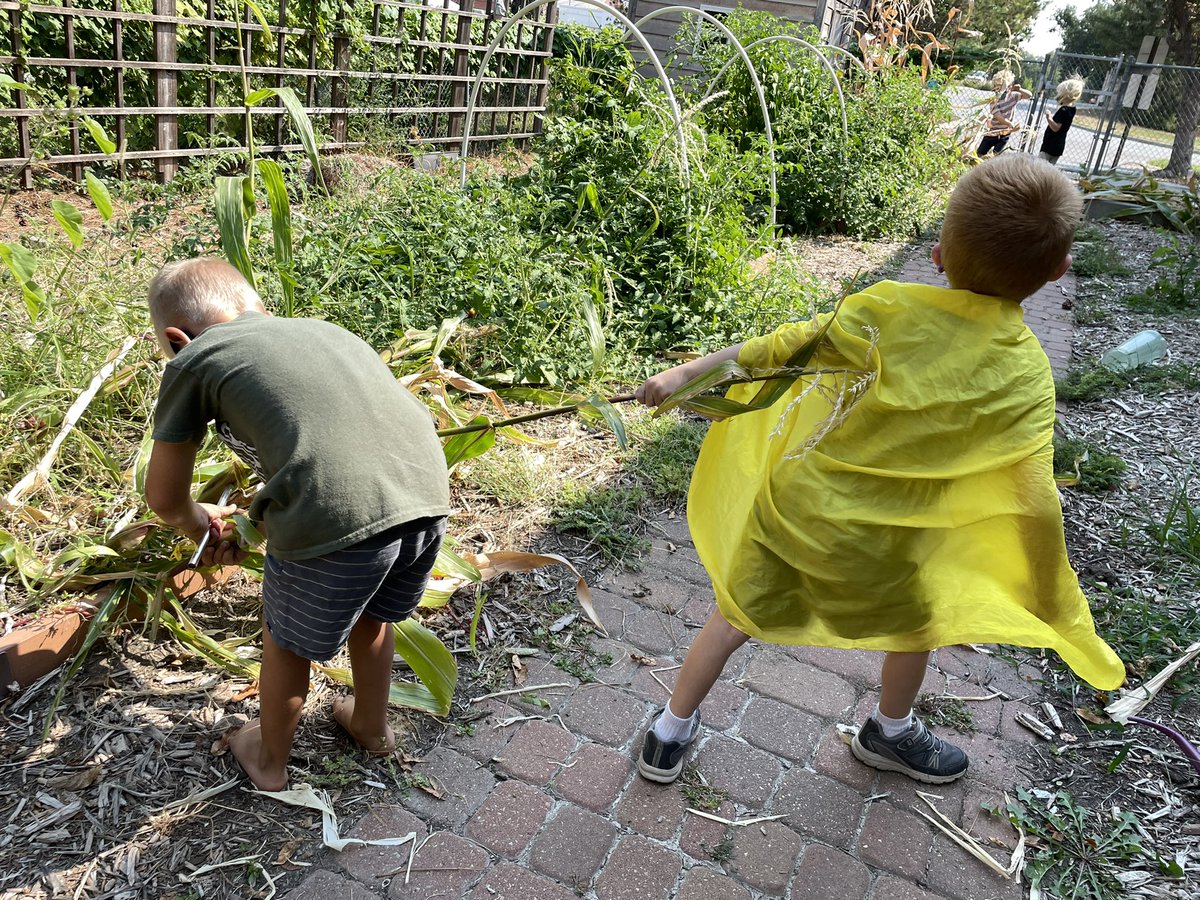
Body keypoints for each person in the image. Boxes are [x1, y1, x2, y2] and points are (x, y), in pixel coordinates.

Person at [632, 155, 1125, 786]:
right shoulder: (1026, 371)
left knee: (732, 617)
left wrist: (685, 373)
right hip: (897, 542)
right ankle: (889, 732)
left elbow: (786, 348)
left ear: (939, 255)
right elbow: (1032, 496)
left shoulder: (884, 312)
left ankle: (669, 733)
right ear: (1059, 271)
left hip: (800, 513)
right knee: (917, 627)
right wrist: (1051, 594)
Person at [143, 258, 450, 791]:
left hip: (339, 511)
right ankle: (371, 727)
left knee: (284, 643)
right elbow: (329, 446)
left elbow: (165, 499)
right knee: (374, 614)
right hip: (424, 495)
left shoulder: (195, 358)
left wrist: (199, 524)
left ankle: (269, 761)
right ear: (258, 306)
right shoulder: (320, 330)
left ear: (176, 338)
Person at [977, 71, 1032, 157]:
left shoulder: (1013, 96)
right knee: (980, 152)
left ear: (1009, 87)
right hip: (993, 131)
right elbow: (998, 117)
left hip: (1005, 133)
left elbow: (1029, 95)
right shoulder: (994, 100)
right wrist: (1009, 123)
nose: (998, 90)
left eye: (1001, 87)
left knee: (996, 155)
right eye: (996, 87)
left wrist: (1020, 90)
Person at [1040, 77, 1083, 167]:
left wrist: (1049, 117)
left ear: (1065, 95)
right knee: (1050, 168)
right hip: (1059, 145)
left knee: (1041, 166)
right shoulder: (1072, 109)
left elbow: (1056, 128)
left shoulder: (1063, 110)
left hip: (1050, 145)